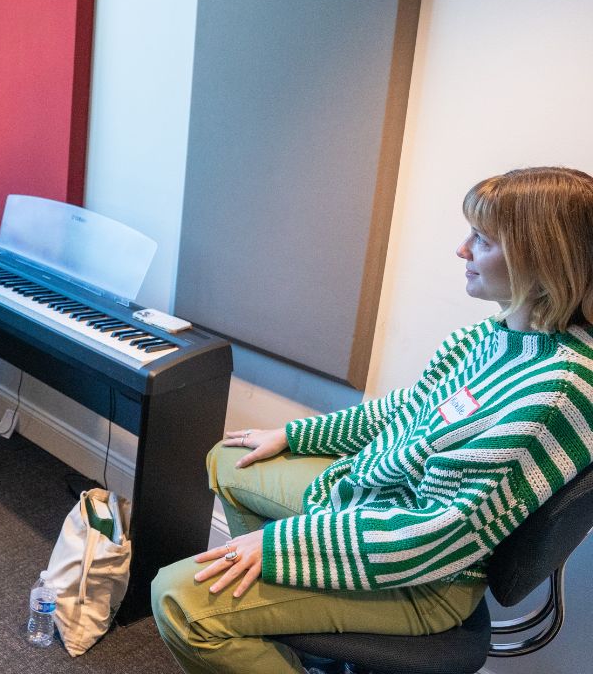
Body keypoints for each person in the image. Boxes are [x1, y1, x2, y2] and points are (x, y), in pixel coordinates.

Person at [151, 166, 593, 674]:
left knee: (179, 601)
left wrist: (279, 547)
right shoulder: (496, 336)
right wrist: (293, 434)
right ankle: (283, 637)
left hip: (426, 576)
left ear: (546, 262)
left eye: (483, 240)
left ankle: (267, 613)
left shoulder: (554, 392)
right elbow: (406, 411)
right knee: (232, 458)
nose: (462, 250)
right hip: (380, 505)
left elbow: (436, 529)